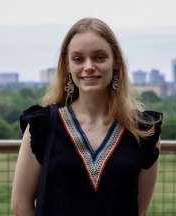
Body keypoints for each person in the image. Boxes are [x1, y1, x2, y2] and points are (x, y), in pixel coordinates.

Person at [11, 17, 162, 216]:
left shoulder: (144, 131)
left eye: (99, 57)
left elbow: (139, 210)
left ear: (115, 61)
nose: (89, 66)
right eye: (78, 59)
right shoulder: (42, 126)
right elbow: (20, 206)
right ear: (67, 65)